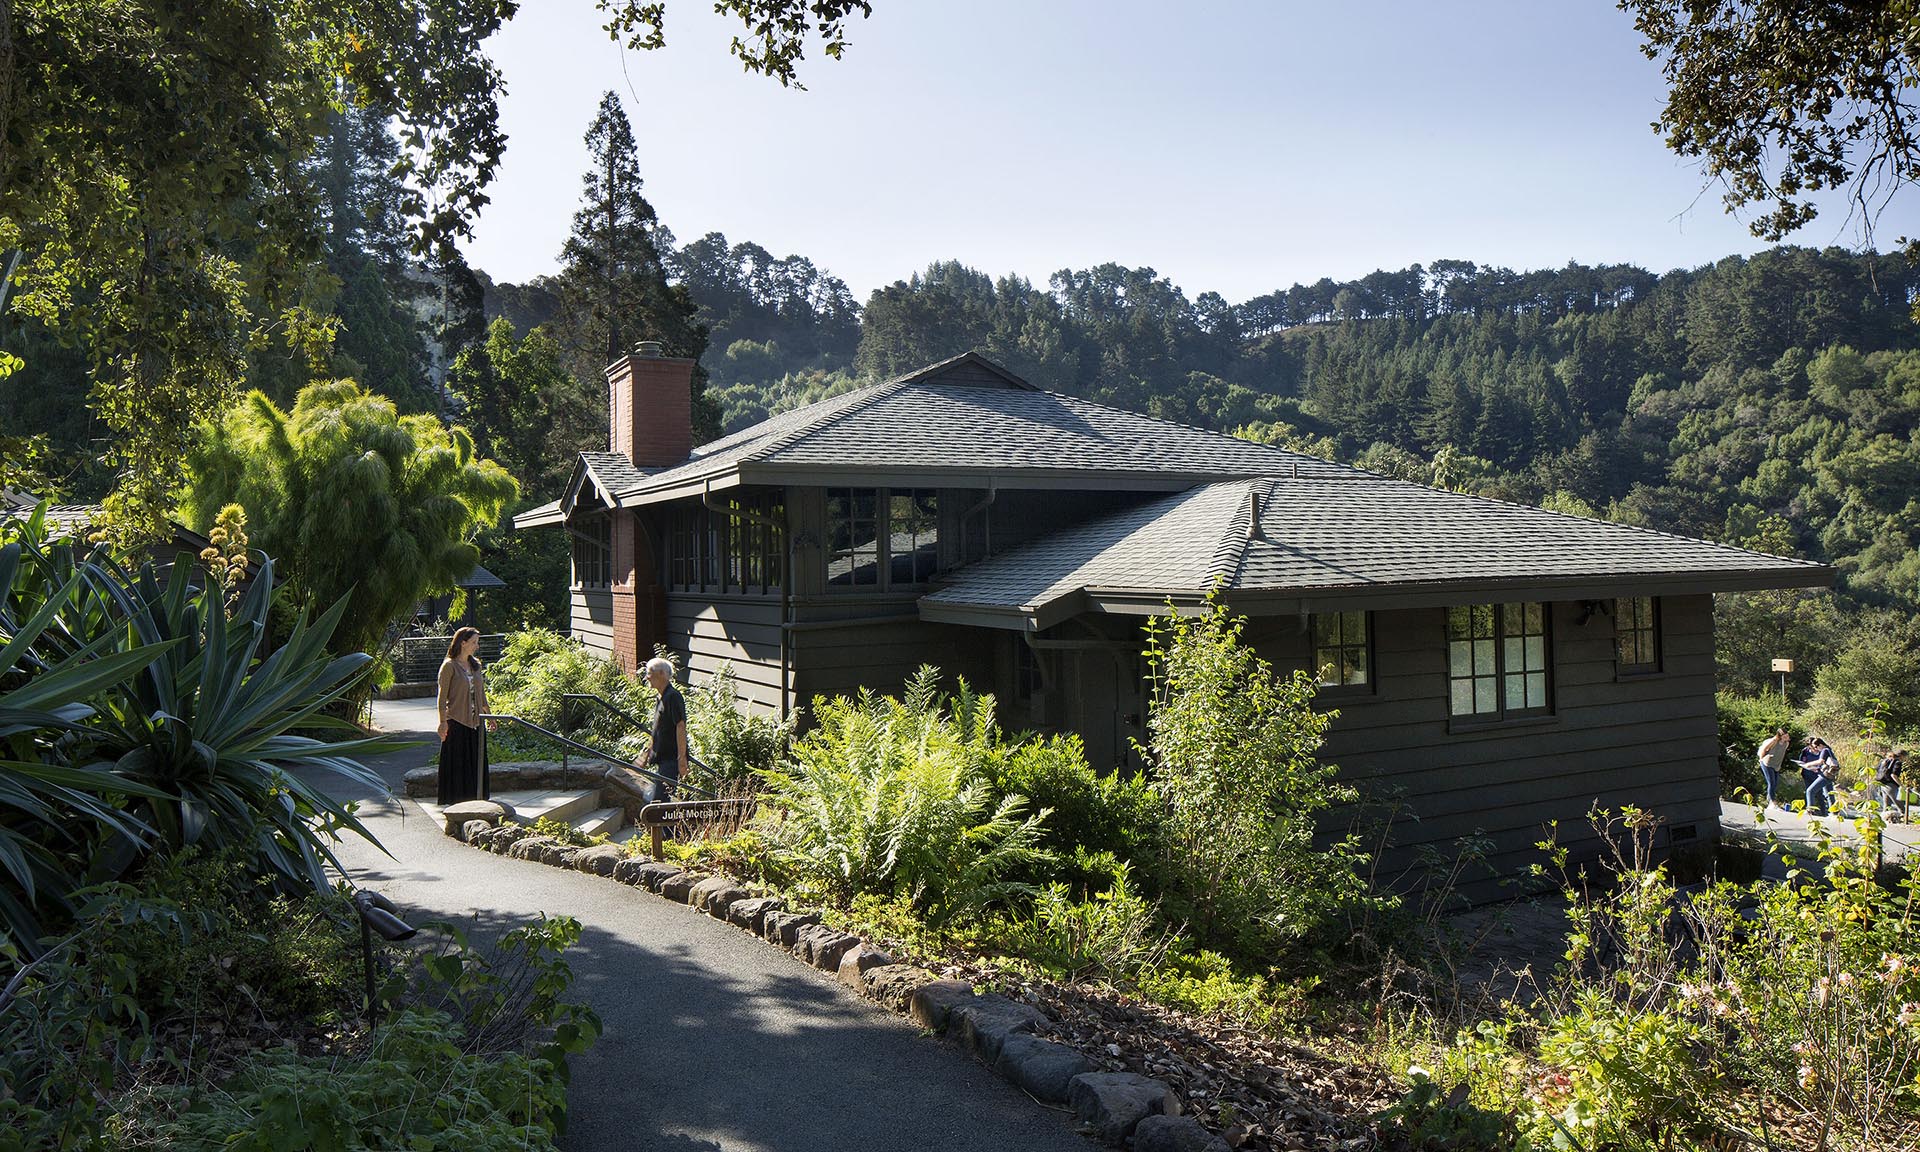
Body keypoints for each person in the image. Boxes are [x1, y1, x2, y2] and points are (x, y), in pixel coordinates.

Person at [436, 627, 489, 805]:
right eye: (474, 642)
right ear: (462, 642)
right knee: (458, 763)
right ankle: (457, 802)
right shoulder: (449, 666)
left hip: (476, 721)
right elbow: (442, 698)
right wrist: (442, 723)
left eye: (477, 642)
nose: (477, 646)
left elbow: (481, 693)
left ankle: (477, 798)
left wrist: (490, 715)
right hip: (456, 722)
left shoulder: (476, 665)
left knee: (476, 761)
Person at [638, 656, 687, 803]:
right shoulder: (661, 697)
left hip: (671, 761)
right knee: (656, 801)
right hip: (662, 759)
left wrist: (682, 760)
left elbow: (680, 726)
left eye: (650, 672)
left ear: (662, 674)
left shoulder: (673, 697)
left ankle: (669, 827)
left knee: (660, 803)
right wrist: (646, 755)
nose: (647, 677)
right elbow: (657, 731)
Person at [1800, 737, 1839, 817]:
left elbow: (1820, 761)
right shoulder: (1829, 750)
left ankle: (1810, 810)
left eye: (1816, 747)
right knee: (1829, 793)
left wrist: (1808, 764)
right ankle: (1834, 812)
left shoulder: (1824, 750)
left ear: (1820, 745)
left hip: (1825, 775)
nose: (1816, 749)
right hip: (1830, 775)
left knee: (1810, 791)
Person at [1757, 726, 1791, 808]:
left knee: (1775, 784)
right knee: (1771, 783)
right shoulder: (1774, 741)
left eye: (1787, 735)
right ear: (1780, 736)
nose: (1787, 737)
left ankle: (1769, 800)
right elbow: (1764, 749)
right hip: (1767, 763)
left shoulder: (1786, 743)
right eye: (1784, 736)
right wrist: (1761, 759)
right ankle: (1772, 802)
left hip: (1776, 765)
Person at [1875, 748, 1908, 821]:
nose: (1905, 759)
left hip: (1882, 783)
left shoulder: (1884, 760)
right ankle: (1905, 819)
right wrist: (1902, 785)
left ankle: (1885, 819)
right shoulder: (1897, 762)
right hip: (1890, 785)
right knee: (1899, 803)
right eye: (1905, 757)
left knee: (1887, 804)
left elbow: (1877, 770)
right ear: (1902, 756)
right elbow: (1894, 775)